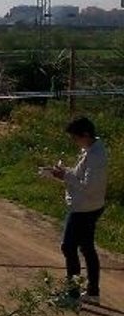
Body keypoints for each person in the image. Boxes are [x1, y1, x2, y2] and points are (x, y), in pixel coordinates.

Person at [45, 116, 108, 306]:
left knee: (68, 247)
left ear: (85, 134)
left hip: (84, 208)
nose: (74, 141)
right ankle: (92, 293)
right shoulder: (91, 150)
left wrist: (66, 176)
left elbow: (89, 186)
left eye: (75, 137)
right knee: (87, 248)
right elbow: (81, 177)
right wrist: (65, 173)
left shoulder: (96, 157)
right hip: (89, 205)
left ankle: (72, 295)